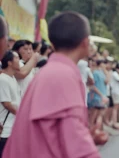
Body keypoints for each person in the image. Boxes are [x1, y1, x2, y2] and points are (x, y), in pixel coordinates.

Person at [3, 11, 106, 158]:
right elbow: (79, 149)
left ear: (52, 43)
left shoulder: (52, 72)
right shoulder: (62, 75)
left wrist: (88, 137)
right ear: (85, 42)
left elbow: (58, 132)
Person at [0, 51, 21, 156]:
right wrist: (22, 115)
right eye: (17, 58)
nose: (19, 60)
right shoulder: (3, 79)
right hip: (4, 130)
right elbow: (7, 104)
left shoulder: (12, 78)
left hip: (12, 128)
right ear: (9, 62)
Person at [88, 60, 109, 130]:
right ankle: (92, 133)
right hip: (97, 97)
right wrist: (101, 95)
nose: (105, 65)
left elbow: (106, 82)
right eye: (104, 63)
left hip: (102, 97)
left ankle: (98, 132)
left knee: (100, 115)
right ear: (100, 64)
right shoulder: (95, 73)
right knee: (93, 117)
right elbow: (93, 86)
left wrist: (106, 72)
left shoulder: (102, 73)